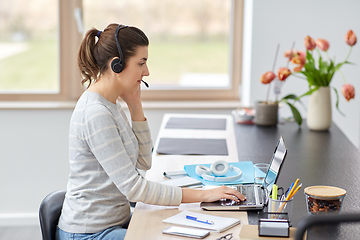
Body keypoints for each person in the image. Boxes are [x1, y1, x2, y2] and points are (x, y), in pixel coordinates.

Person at [56, 23, 245, 240]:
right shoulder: (96, 113)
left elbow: (144, 162)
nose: (146, 72)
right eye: (141, 63)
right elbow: (135, 189)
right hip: (89, 232)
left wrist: (136, 106)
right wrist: (203, 194)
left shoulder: (111, 104)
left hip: (116, 222)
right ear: (116, 65)